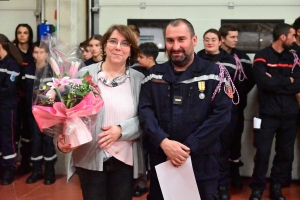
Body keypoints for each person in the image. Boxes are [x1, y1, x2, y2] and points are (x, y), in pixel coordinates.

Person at [139, 18, 232, 200]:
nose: (175, 47)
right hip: (162, 159)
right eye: (170, 40)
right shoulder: (153, 75)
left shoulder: (214, 74)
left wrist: (188, 146)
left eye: (181, 39)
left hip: (202, 162)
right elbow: (145, 111)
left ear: (194, 40)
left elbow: (221, 116)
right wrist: (163, 142)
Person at [57, 24, 145, 200]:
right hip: (90, 156)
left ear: (130, 50)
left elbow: (146, 119)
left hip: (125, 159)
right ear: (104, 46)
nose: (118, 47)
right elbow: (70, 113)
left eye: (125, 43)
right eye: (113, 41)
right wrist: (65, 138)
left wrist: (122, 130)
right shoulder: (84, 74)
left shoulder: (140, 79)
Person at [249, 23, 300, 200]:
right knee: (262, 152)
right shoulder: (262, 56)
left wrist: (277, 82)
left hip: (290, 116)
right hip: (267, 116)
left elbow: (298, 83)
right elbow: (263, 84)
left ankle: (276, 187)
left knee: (284, 154)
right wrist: (288, 80)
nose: (295, 39)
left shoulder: (293, 57)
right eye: (293, 35)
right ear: (283, 37)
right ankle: (257, 189)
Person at [197, 28, 239, 200]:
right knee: (202, 150)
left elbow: (236, 86)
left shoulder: (229, 60)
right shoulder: (197, 58)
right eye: (207, 39)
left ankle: (222, 186)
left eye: (213, 39)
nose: (210, 42)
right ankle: (202, 186)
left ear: (220, 41)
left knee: (222, 151)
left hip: (223, 112)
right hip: (201, 113)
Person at [219, 24, 255, 189]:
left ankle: (235, 174)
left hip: (237, 108)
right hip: (217, 111)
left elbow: (251, 79)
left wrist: (238, 94)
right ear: (222, 38)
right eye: (232, 37)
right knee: (219, 144)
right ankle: (219, 178)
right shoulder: (211, 56)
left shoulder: (243, 57)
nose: (236, 40)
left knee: (235, 142)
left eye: (236, 36)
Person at [25, 41, 57, 185]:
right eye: (36, 52)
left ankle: (50, 171)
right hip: (31, 112)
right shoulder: (29, 69)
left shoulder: (51, 70)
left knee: (47, 141)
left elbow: (57, 91)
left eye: (41, 52)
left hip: (47, 113)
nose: (38, 55)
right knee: (35, 141)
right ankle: (36, 170)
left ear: (47, 54)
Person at [132, 42, 159, 197]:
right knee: (141, 154)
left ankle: (156, 185)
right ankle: (142, 182)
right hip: (139, 121)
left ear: (150, 58)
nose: (138, 59)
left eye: (141, 57)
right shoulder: (136, 71)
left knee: (155, 156)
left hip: (155, 123)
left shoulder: (160, 74)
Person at [0, 34, 23, 185]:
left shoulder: (12, 65)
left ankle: (9, 168)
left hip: (7, 108)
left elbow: (8, 88)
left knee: (7, 137)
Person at [13, 23, 35, 174]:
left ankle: (26, 162)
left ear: (29, 35)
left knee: (28, 131)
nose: (22, 35)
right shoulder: (12, 50)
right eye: (19, 32)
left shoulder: (34, 51)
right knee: (14, 131)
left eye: (25, 32)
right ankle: (11, 164)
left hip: (30, 98)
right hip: (14, 98)